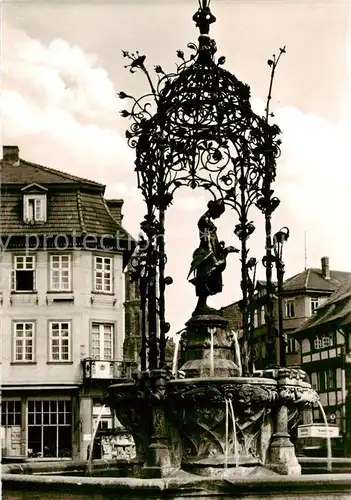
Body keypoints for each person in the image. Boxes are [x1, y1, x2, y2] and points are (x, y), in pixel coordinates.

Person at [188, 199, 239, 313]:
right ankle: (201, 305)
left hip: (211, 250)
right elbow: (205, 238)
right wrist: (211, 254)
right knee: (207, 277)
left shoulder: (207, 220)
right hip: (207, 253)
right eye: (219, 214)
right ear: (214, 210)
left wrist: (218, 246)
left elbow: (211, 238)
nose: (219, 216)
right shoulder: (204, 221)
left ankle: (202, 304)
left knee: (210, 278)